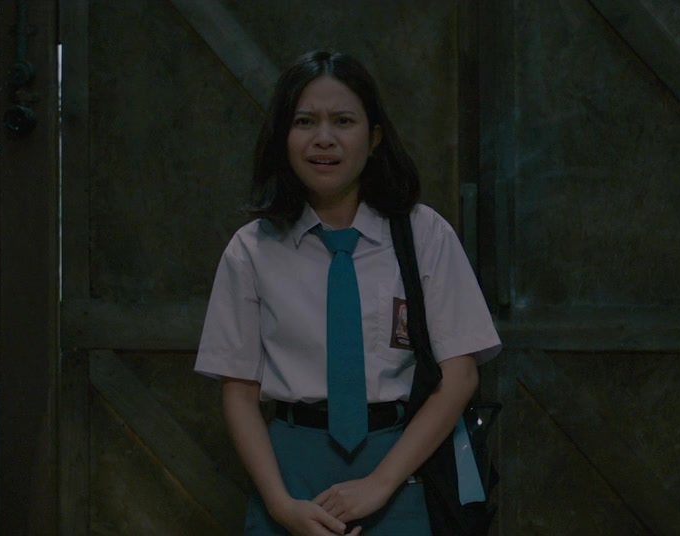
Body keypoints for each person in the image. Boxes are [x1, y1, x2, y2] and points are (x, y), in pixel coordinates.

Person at [194, 50, 501, 536]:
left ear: (374, 137)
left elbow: (460, 377)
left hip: (403, 470)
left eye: (343, 121)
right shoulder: (251, 250)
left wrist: (380, 483)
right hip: (290, 473)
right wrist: (280, 504)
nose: (324, 138)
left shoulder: (424, 234)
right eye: (304, 122)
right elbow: (239, 391)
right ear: (283, 136)